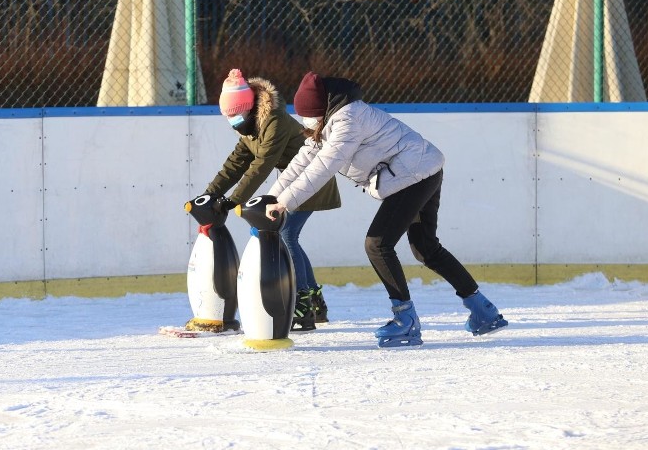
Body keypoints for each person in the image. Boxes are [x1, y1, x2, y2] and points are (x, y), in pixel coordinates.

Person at [265, 72, 508, 347]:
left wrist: (285, 203)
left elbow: (324, 167)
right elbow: (302, 161)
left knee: (377, 245)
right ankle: (483, 311)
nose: (308, 123)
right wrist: (270, 197)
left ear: (322, 109)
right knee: (425, 247)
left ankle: (406, 321)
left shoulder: (348, 121)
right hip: (422, 169)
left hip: (415, 174)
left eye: (310, 116)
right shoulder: (330, 123)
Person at [199, 69, 341, 331]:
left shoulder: (273, 120)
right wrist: (212, 192)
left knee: (286, 235)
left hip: (311, 180)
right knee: (289, 236)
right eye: (228, 117)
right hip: (296, 182)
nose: (232, 122)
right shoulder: (251, 125)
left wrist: (234, 200)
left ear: (249, 108)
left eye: (235, 115)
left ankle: (303, 302)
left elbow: (263, 163)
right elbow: (237, 161)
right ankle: (314, 302)